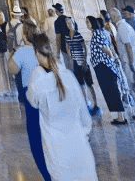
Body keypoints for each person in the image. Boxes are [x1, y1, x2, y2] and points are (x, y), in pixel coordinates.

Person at [27, 32, 98, 181]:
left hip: (57, 150)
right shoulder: (69, 77)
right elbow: (85, 119)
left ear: (36, 53)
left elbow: (32, 101)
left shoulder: (37, 81)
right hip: (80, 147)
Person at [9, 21, 50, 181]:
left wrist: (13, 53)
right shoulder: (43, 49)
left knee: (35, 137)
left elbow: (12, 69)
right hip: (48, 91)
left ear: (24, 35)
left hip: (31, 93)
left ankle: (47, 175)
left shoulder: (23, 51)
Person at [86, 15, 127, 124]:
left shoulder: (97, 33)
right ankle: (120, 116)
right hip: (105, 65)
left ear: (92, 22)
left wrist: (112, 58)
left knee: (112, 91)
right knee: (113, 90)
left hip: (103, 65)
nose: (86, 24)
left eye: (88, 22)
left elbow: (106, 48)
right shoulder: (102, 32)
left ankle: (121, 118)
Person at [65, 18, 100, 115]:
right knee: (81, 84)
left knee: (89, 84)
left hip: (83, 62)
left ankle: (95, 104)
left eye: (70, 23)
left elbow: (84, 47)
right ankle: (86, 103)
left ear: (73, 23)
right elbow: (67, 46)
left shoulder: (78, 34)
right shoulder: (67, 35)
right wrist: (70, 56)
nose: (68, 24)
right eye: (67, 23)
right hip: (76, 62)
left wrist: (84, 60)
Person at [53, 3, 71, 67]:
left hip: (64, 45)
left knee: (68, 65)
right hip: (72, 44)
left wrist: (57, 51)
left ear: (56, 12)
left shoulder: (57, 22)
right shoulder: (69, 19)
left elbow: (58, 37)